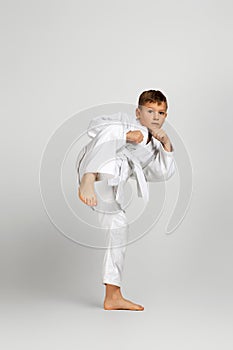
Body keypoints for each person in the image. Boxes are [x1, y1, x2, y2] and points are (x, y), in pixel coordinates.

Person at [76, 90, 175, 311]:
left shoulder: (153, 144)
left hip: (109, 183)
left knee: (119, 226)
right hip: (93, 165)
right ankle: (87, 179)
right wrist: (124, 135)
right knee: (111, 130)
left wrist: (166, 143)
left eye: (161, 112)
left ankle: (113, 295)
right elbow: (92, 128)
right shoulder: (124, 120)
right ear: (138, 113)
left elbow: (162, 172)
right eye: (150, 111)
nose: (156, 116)